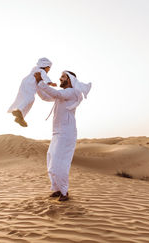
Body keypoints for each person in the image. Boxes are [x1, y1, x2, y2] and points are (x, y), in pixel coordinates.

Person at [34, 70, 91, 201]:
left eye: (63, 77)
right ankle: (57, 189)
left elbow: (56, 93)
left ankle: (64, 192)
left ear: (69, 80)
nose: (60, 78)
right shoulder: (63, 95)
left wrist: (40, 82)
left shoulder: (70, 92)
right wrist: (37, 85)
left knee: (59, 163)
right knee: (51, 160)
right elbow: (46, 96)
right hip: (57, 132)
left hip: (66, 133)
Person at [8, 57, 57, 127]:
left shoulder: (35, 69)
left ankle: (20, 117)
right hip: (29, 84)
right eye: (49, 68)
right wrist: (51, 83)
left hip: (25, 83)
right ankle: (19, 111)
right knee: (30, 98)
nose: (49, 70)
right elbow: (45, 78)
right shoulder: (41, 71)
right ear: (46, 66)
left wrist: (55, 98)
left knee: (28, 99)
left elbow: (43, 94)